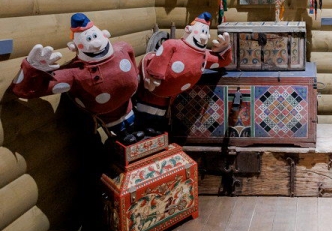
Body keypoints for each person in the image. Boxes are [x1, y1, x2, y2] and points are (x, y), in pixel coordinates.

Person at [10, 13, 141, 144]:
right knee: (121, 135)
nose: (96, 44)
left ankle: (134, 132)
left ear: (104, 34)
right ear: (74, 46)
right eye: (88, 39)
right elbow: (24, 91)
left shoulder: (123, 48)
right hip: (107, 118)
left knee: (134, 126)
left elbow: (132, 60)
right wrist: (32, 70)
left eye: (95, 36)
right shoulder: (75, 73)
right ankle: (124, 136)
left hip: (129, 107)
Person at [135, 12, 232, 134]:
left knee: (160, 114)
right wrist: (155, 75)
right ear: (188, 29)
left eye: (206, 32)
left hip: (169, 96)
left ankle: (155, 130)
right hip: (154, 90)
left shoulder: (203, 55)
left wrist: (225, 49)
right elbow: (160, 58)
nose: (204, 37)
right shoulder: (173, 45)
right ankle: (141, 129)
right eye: (202, 31)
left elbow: (223, 61)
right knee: (147, 109)